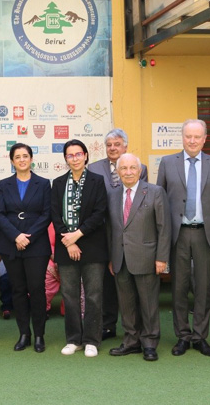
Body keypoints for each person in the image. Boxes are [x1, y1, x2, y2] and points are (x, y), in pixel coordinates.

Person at [157, 119, 210, 357]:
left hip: (205, 234)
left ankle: (200, 337)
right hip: (178, 234)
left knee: (204, 288)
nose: (193, 140)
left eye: (197, 137)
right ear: (183, 137)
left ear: (205, 138)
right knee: (178, 288)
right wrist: (162, 238)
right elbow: (160, 203)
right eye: (189, 136)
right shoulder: (167, 163)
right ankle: (182, 336)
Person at [107, 153, 171, 361]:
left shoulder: (154, 192)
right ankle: (131, 341)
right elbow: (111, 229)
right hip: (120, 258)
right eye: (123, 168)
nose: (128, 172)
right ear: (118, 172)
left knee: (149, 303)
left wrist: (162, 258)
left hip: (147, 257)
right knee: (126, 304)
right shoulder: (113, 194)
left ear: (140, 169)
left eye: (132, 168)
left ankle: (150, 343)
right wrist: (111, 257)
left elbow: (164, 227)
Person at [87, 128, 148, 341]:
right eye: (109, 145)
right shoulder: (93, 168)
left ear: (126, 146)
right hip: (100, 234)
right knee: (106, 282)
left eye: (117, 144)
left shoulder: (140, 168)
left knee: (130, 283)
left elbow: (141, 200)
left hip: (130, 237)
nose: (113, 148)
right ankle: (107, 325)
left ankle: (137, 328)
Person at [51, 139, 108, 358]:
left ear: (85, 155)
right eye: (70, 155)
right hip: (66, 246)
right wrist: (70, 240)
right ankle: (74, 339)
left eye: (78, 154)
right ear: (65, 159)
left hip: (92, 246)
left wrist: (78, 235)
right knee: (70, 295)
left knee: (93, 295)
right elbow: (55, 215)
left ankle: (92, 340)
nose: (74, 158)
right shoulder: (57, 183)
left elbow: (99, 213)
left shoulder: (97, 181)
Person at [0, 143, 51, 353]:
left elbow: (47, 214)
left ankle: (38, 335)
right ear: (12, 161)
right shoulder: (3, 184)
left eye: (25, 156)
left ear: (31, 159)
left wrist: (29, 236)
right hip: (11, 245)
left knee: (36, 290)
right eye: (17, 157)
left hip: (36, 246)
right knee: (17, 290)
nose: (21, 160)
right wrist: (16, 236)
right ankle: (24, 334)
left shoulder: (44, 183)